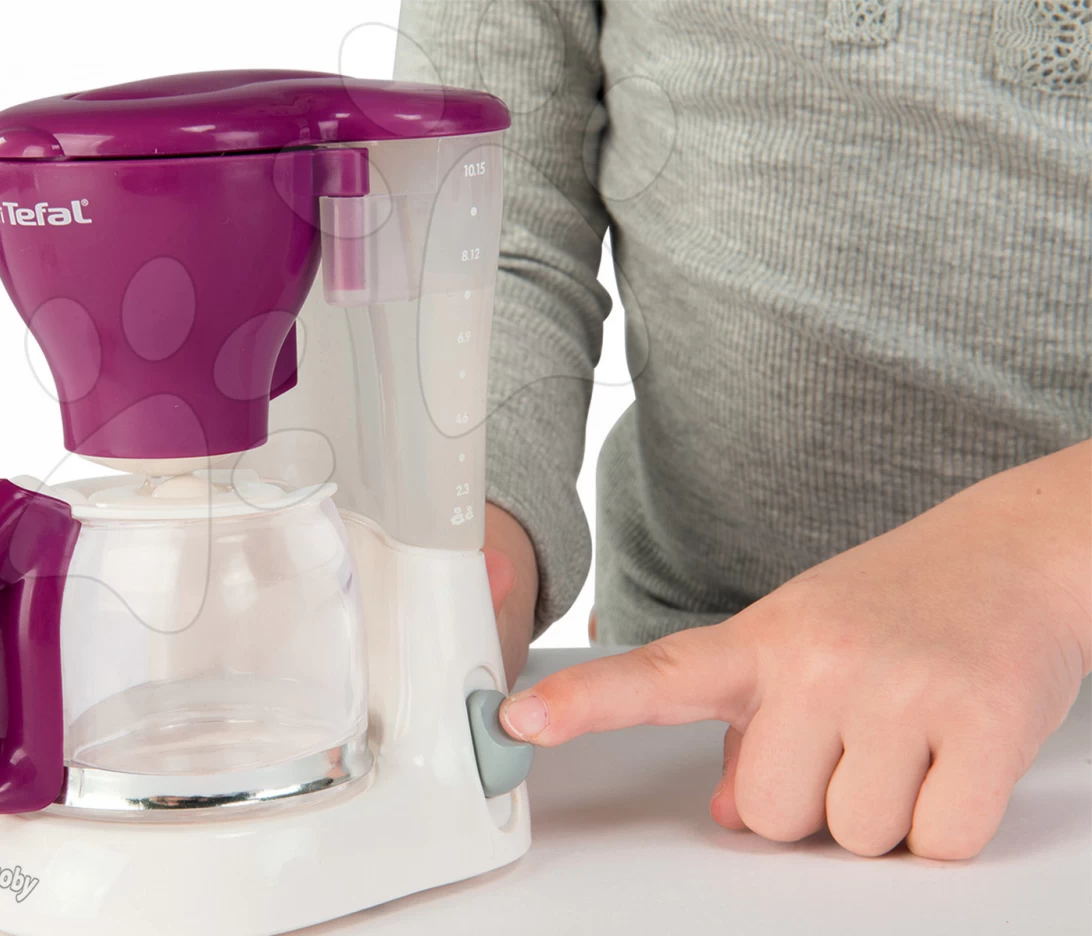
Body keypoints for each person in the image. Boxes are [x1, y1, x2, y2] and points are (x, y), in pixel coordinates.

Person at [394, 0, 1091, 859]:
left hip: (1062, 753)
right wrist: (464, 536)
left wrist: (1040, 567)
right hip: (682, 715)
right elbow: (489, 233)